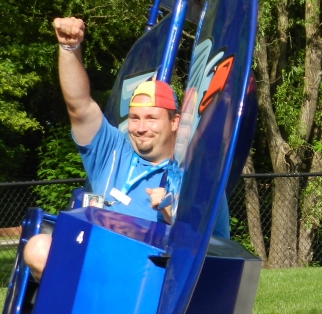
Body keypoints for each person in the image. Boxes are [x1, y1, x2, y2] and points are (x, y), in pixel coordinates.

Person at [22, 17, 227, 281]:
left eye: (152, 118)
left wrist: (179, 220)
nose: (141, 128)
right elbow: (79, 106)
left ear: (174, 122)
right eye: (134, 118)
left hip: (149, 281)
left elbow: (218, 251)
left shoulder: (198, 175)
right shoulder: (112, 151)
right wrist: (69, 48)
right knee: (38, 248)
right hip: (96, 269)